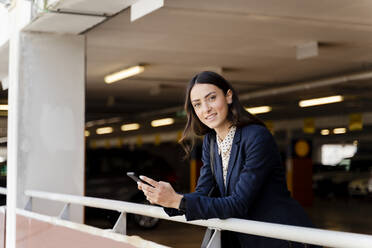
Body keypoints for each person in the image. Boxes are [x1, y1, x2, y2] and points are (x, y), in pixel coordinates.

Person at [138, 71, 319, 248]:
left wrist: (177, 201)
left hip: (278, 237)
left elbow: (239, 203)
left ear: (229, 96)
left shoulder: (256, 136)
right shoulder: (211, 141)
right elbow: (203, 192)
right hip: (242, 237)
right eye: (197, 104)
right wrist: (166, 198)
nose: (205, 109)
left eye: (211, 98)